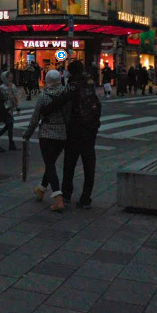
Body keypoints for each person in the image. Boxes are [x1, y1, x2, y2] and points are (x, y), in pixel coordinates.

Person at [43, 60, 102, 209]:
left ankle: (67, 194)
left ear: (70, 72)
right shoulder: (89, 84)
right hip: (90, 129)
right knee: (89, 164)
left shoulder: (73, 85)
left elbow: (62, 101)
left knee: (70, 163)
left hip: (75, 128)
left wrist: (45, 109)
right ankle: (86, 198)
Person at [23, 69, 68, 212]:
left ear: (47, 81)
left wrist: (27, 134)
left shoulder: (43, 97)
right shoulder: (66, 95)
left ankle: (58, 198)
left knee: (49, 165)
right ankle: (41, 189)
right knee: (51, 164)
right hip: (62, 134)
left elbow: (35, 117)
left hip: (47, 134)